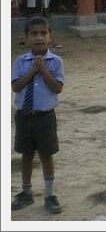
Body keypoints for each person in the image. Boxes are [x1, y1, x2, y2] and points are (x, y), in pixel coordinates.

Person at [11, 16, 65, 214]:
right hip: (24, 117)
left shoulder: (56, 62)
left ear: (50, 37)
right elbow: (16, 86)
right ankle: (26, 192)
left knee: (46, 155)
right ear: (26, 38)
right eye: (34, 34)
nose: (39, 38)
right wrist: (33, 70)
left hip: (45, 118)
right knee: (26, 154)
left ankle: (49, 195)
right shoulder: (20, 61)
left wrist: (43, 70)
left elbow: (57, 88)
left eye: (43, 33)